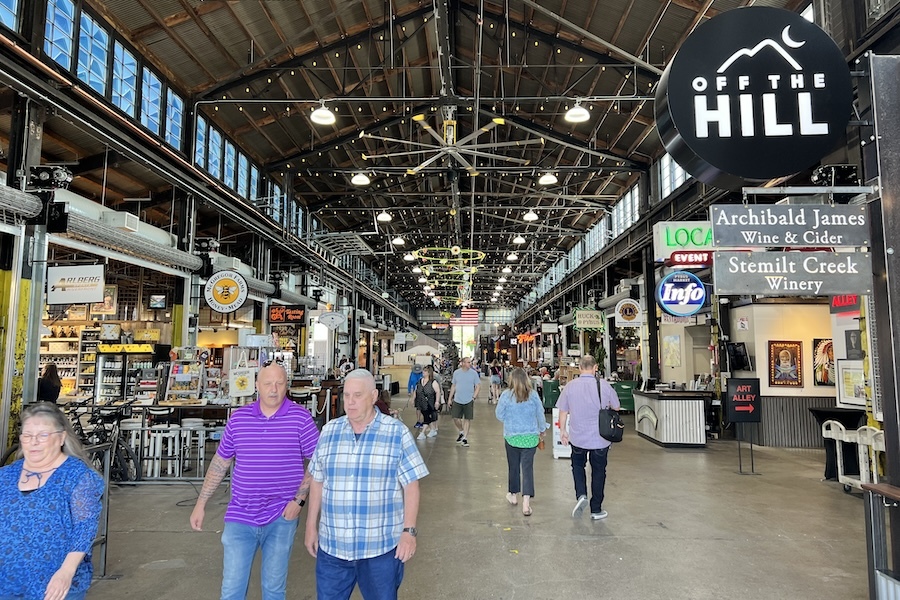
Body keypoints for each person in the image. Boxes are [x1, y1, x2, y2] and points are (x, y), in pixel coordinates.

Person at [190, 361, 320, 600]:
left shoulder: (301, 419)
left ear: (287, 386)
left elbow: (318, 462)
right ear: (257, 385)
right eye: (268, 383)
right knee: (231, 590)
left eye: (280, 383)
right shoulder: (239, 419)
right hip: (240, 515)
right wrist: (201, 503)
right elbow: (220, 463)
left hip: (281, 516)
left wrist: (298, 501)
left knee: (273, 590)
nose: (274, 389)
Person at [304, 369, 429, 599]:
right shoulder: (330, 431)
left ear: (373, 397)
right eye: (347, 396)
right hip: (333, 548)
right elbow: (317, 481)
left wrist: (408, 532)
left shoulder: (396, 433)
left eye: (357, 396)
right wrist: (311, 526)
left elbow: (411, 485)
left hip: (379, 549)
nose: (350, 403)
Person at [0, 402, 104, 600]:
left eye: (43, 435)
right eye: (28, 436)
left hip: (54, 584)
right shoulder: (5, 476)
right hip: (6, 582)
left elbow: (85, 528)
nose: (34, 442)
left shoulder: (78, 477)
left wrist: (66, 572)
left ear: (61, 438)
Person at [557, 354, 620, 521]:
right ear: (595, 367)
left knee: (577, 466)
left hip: (578, 437)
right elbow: (617, 406)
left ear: (579, 368)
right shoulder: (605, 386)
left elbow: (563, 411)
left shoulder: (570, 387)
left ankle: (581, 495)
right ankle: (596, 509)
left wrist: (563, 431)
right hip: (600, 438)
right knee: (599, 471)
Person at [495, 367, 548, 517]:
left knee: (513, 467)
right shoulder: (533, 395)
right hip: (530, 438)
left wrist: (510, 420)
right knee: (527, 469)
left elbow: (499, 414)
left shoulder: (506, 395)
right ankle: (526, 503)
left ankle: (513, 495)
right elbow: (540, 413)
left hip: (512, 437)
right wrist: (542, 429)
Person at [447, 356, 482, 448]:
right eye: (467, 362)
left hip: (469, 399)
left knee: (467, 419)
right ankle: (461, 431)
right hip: (458, 399)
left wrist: (474, 396)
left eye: (470, 362)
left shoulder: (473, 373)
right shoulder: (457, 373)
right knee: (455, 418)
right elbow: (453, 386)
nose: (469, 364)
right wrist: (450, 398)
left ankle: (465, 438)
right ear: (462, 363)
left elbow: (478, 385)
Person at [414, 365, 442, 440]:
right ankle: (432, 429)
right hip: (421, 402)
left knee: (426, 418)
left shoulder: (433, 382)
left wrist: (437, 401)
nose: (423, 372)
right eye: (423, 371)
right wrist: (413, 398)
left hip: (430, 403)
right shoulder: (420, 381)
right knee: (427, 416)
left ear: (429, 372)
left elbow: (438, 392)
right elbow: (416, 390)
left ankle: (422, 432)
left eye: (425, 371)